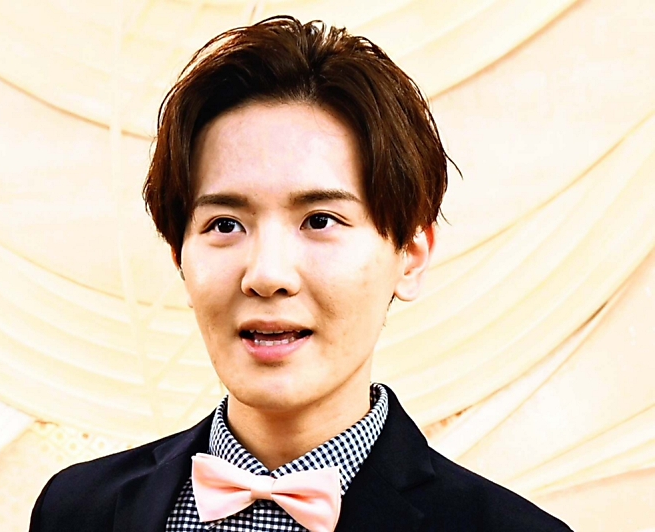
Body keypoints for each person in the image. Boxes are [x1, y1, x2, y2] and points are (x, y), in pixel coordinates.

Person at [30, 16, 572, 532]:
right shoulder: (78, 510)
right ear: (179, 255)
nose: (267, 275)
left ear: (409, 253)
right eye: (225, 224)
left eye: (319, 220)